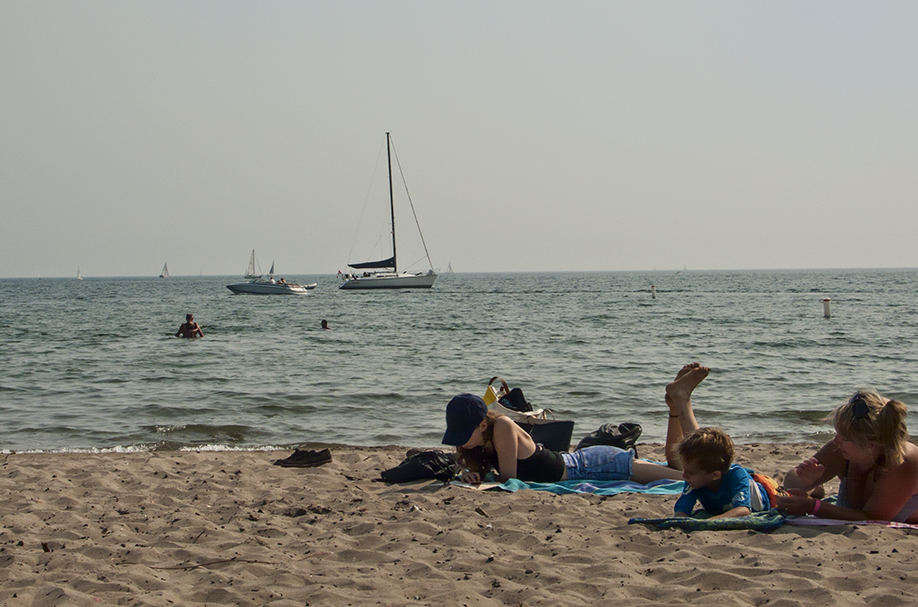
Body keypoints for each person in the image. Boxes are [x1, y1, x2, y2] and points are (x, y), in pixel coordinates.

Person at [441, 365, 729, 485]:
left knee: (687, 477)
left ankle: (682, 402)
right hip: (584, 463)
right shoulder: (477, 444)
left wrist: (479, 476)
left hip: (596, 465)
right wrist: (470, 473)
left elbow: (510, 480)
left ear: (481, 425)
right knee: (680, 469)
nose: (460, 441)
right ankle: (675, 408)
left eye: (462, 434)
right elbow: (490, 472)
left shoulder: (502, 426)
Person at [776, 390, 918, 522]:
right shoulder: (839, 450)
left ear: (871, 444)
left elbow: (874, 518)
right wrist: (803, 481)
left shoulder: (903, 462)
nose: (836, 441)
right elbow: (790, 484)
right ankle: (818, 490)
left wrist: (814, 506)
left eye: (845, 437)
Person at [665, 363, 772, 518]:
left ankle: (681, 398)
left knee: (784, 491)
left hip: (769, 495)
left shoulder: (736, 475)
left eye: (689, 472)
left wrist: (709, 521)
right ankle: (681, 399)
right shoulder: (695, 479)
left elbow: (743, 510)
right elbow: (682, 511)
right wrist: (681, 519)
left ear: (715, 475)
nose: (684, 476)